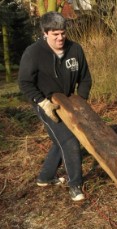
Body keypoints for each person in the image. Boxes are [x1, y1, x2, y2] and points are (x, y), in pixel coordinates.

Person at [18, 11, 92, 201]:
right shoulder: (33, 53)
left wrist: (80, 101)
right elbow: (25, 82)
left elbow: (85, 78)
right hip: (45, 103)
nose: (60, 38)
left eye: (63, 33)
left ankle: (45, 177)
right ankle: (75, 184)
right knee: (69, 140)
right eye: (55, 34)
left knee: (61, 140)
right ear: (45, 33)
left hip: (68, 102)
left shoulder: (75, 50)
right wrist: (42, 103)